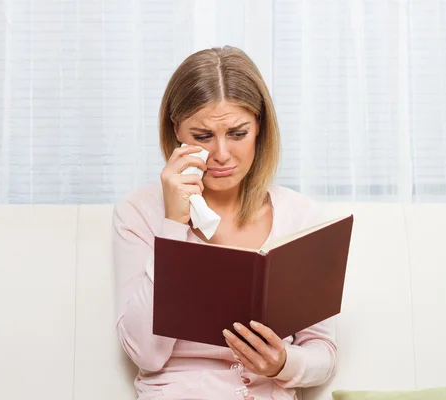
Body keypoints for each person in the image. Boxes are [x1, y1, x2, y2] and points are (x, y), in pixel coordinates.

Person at [113, 46, 336, 400]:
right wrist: (173, 225)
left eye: (237, 133)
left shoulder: (300, 215)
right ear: (176, 129)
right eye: (202, 136)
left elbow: (323, 354)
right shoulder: (138, 212)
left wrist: (281, 363)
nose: (220, 154)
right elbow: (145, 353)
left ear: (259, 126)